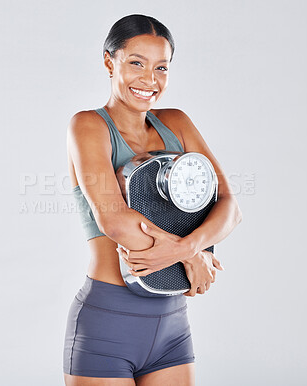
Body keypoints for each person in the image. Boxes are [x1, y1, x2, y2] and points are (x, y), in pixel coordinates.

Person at [63, 14, 242, 386]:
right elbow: (114, 221)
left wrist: (191, 246)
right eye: (136, 63)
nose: (150, 79)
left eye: (161, 67)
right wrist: (194, 254)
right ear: (109, 61)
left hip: (173, 326)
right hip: (107, 323)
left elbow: (230, 207)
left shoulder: (176, 123)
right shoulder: (88, 126)